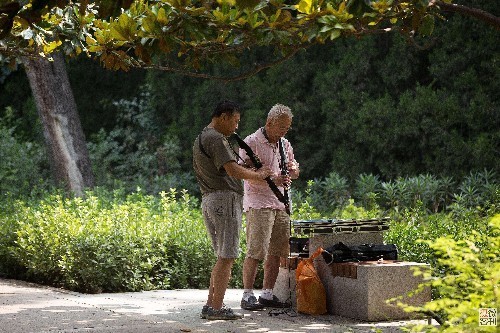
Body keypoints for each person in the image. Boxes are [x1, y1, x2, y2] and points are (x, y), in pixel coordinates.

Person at [193, 100, 273, 320]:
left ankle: (211, 305)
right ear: (224, 117)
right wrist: (258, 175)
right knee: (227, 256)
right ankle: (216, 308)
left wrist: (245, 168)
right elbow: (231, 170)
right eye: (235, 121)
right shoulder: (216, 138)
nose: (236, 127)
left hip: (210, 199)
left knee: (222, 256)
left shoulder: (202, 137)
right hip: (223, 199)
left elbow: (227, 169)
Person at [239, 104, 300, 310]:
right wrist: (269, 175)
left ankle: (267, 293)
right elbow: (241, 170)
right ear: (269, 123)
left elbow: (295, 170)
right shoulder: (251, 142)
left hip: (281, 203)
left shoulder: (285, 144)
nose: (284, 131)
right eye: (282, 127)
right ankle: (247, 295)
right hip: (258, 202)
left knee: (277, 251)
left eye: (287, 127)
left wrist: (293, 170)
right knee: (256, 250)